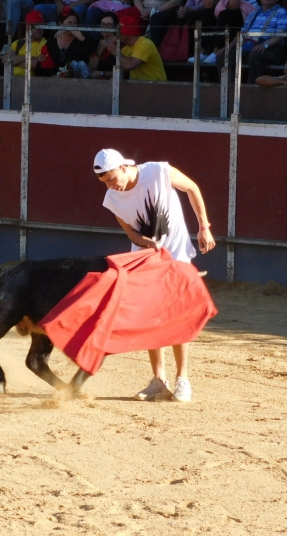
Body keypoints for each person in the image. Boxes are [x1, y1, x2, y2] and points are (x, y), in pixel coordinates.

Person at [93, 148, 216, 402]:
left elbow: (192, 188)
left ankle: (183, 379)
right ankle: (158, 381)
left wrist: (203, 226)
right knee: (151, 318)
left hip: (177, 256)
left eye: (112, 179)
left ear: (123, 167)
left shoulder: (158, 171)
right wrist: (147, 244)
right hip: (146, 260)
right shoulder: (112, 198)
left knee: (177, 317)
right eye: (104, 183)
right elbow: (131, 234)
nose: (110, 186)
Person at [216, 0, 287, 85]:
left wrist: (265, 45)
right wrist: (228, 47)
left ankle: (251, 89)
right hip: (250, 45)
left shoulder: (282, 12)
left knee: (254, 55)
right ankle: (229, 89)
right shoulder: (254, 13)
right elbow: (242, 34)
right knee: (223, 55)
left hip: (272, 48)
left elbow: (281, 35)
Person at [35, 8, 92, 76]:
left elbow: (91, 50)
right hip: (54, 79)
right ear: (60, 23)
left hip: (76, 79)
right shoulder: (53, 37)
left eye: (75, 23)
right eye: (69, 23)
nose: (72, 26)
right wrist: (41, 59)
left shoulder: (83, 37)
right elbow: (44, 64)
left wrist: (79, 36)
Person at [108, 14, 166, 81]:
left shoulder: (145, 44)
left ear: (126, 32)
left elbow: (129, 65)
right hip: (137, 86)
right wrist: (103, 74)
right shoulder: (126, 49)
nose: (117, 35)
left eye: (119, 31)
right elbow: (121, 71)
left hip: (156, 86)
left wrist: (115, 51)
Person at [5, 10, 47, 76]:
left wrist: (14, 60)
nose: (38, 28)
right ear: (27, 26)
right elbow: (5, 59)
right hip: (12, 82)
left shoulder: (45, 43)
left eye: (40, 25)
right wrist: (29, 57)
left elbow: (35, 64)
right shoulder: (18, 42)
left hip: (32, 83)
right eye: (34, 26)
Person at [88, 12, 118, 79]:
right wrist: (99, 51)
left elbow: (123, 71)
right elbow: (90, 69)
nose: (105, 27)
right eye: (103, 24)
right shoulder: (96, 42)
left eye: (109, 25)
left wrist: (102, 73)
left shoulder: (120, 44)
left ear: (115, 27)